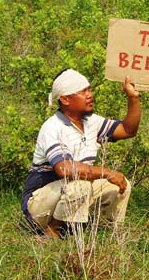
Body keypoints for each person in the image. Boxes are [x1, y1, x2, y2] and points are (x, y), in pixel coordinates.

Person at [21, 68, 141, 238]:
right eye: (83, 91)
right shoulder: (53, 127)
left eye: (89, 89)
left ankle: (106, 232)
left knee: (121, 184)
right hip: (39, 207)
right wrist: (106, 173)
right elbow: (65, 169)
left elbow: (128, 130)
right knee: (81, 184)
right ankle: (52, 232)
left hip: (67, 195)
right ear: (65, 99)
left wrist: (133, 98)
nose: (90, 95)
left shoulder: (91, 122)